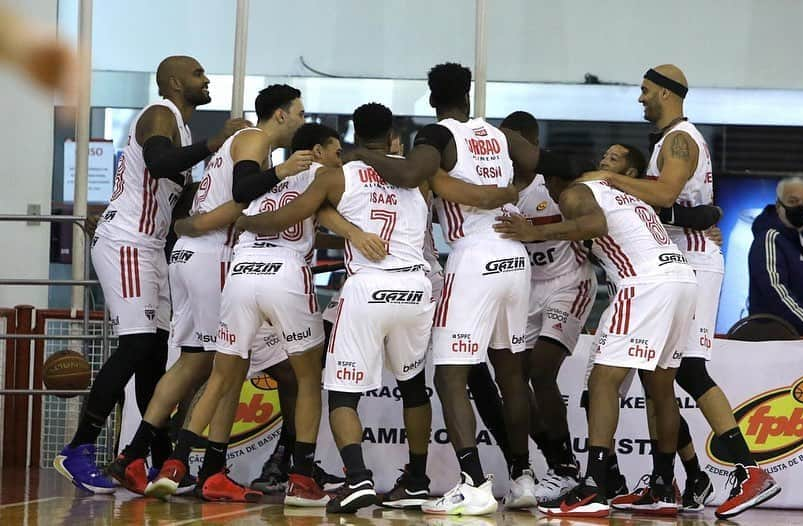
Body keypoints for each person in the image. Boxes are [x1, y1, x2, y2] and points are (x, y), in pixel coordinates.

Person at [352, 63, 555, 515]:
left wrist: (364, 155)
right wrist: (504, 190)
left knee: (449, 373)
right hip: (513, 257)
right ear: (468, 93)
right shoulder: (501, 135)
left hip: (475, 259)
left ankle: (473, 483)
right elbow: (535, 161)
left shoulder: (438, 135)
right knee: (510, 370)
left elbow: (407, 175)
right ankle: (522, 477)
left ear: (431, 98)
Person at [105, 86, 317, 496]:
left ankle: (142, 456)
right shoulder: (255, 141)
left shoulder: (243, 145)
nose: (302, 121)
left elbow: (208, 203)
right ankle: (164, 459)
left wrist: (190, 225)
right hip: (212, 257)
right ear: (279, 115)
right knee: (225, 367)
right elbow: (241, 193)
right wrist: (282, 174)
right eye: (299, 113)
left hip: (190, 256)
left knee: (197, 364)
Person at [53, 56, 247, 494]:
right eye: (199, 73)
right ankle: (78, 449)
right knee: (137, 344)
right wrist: (214, 145)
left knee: (155, 356)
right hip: (127, 242)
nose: (207, 78)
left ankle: (147, 459)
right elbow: (158, 162)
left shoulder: (184, 131)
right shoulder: (160, 114)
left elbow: (172, 197)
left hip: (152, 249)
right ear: (176, 82)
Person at [237, 102, 435, 513]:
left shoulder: (337, 176)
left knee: (342, 394)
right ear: (393, 135)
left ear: (353, 136)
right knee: (413, 388)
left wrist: (246, 223)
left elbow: (289, 216)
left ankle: (358, 478)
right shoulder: (420, 178)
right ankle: (417, 479)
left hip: (369, 289)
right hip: (415, 288)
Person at [601, 64, 780, 519]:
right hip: (678, 261)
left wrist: (608, 180)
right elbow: (675, 206)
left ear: (665, 92)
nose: (640, 98)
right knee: (658, 373)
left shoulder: (681, 138)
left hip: (694, 263)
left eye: (644, 90)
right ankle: (668, 483)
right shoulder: (668, 140)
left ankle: (749, 471)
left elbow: (664, 194)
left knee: (690, 370)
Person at [495, 170, 697, 518]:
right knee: (661, 387)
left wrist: (536, 232)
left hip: (644, 283)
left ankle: (595, 487)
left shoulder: (576, 191)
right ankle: (664, 487)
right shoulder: (625, 194)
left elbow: (595, 225)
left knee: (603, 381)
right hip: (682, 277)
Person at [498, 111, 596, 502]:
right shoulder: (499, 187)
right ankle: (558, 462)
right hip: (526, 290)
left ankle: (566, 466)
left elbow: (594, 216)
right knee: (516, 378)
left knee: (542, 369)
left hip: (568, 283)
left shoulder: (555, 181)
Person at [748, 176, 803, 336]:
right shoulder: (770, 238)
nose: (801, 207)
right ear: (778, 204)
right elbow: (775, 291)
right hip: (778, 342)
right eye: (793, 201)